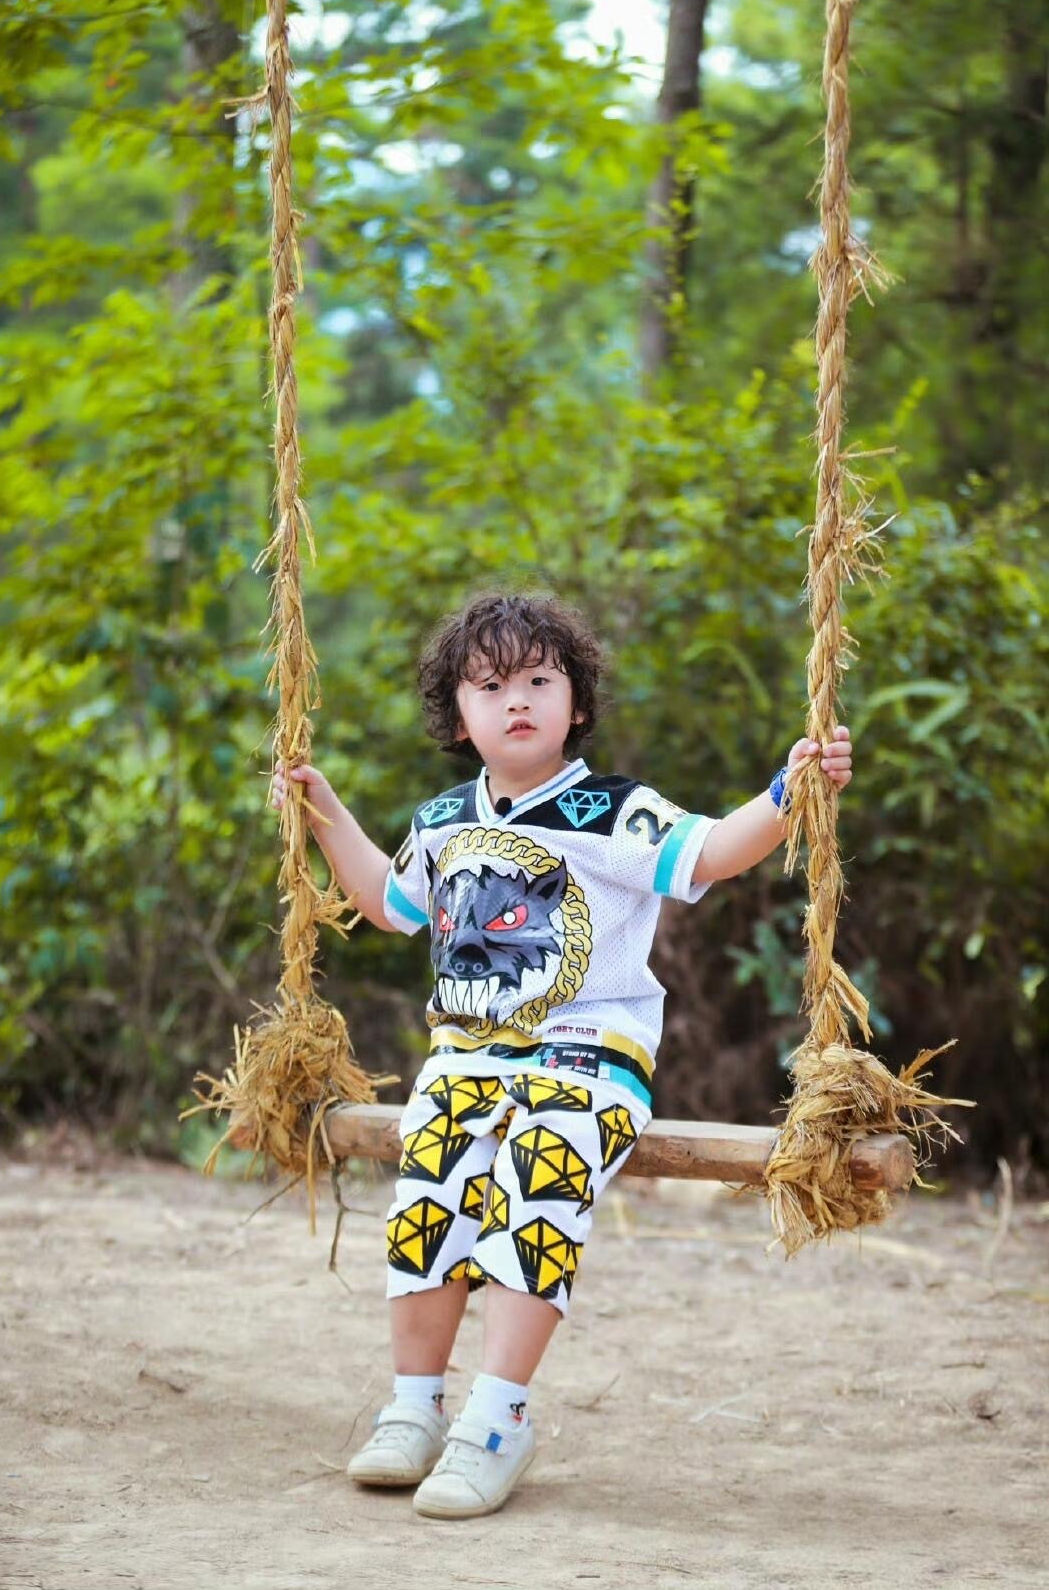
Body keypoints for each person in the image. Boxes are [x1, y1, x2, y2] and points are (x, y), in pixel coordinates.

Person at [269, 591, 853, 1520]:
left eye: (540, 681)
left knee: (538, 1177)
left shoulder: (612, 812)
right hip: (467, 1062)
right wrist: (322, 809)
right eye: (491, 685)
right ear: (457, 717)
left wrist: (790, 794)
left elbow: (711, 852)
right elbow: (387, 903)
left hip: (587, 1057)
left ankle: (496, 1419)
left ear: (576, 702)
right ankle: (414, 1406)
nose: (518, 700)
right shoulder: (443, 820)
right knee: (428, 1197)